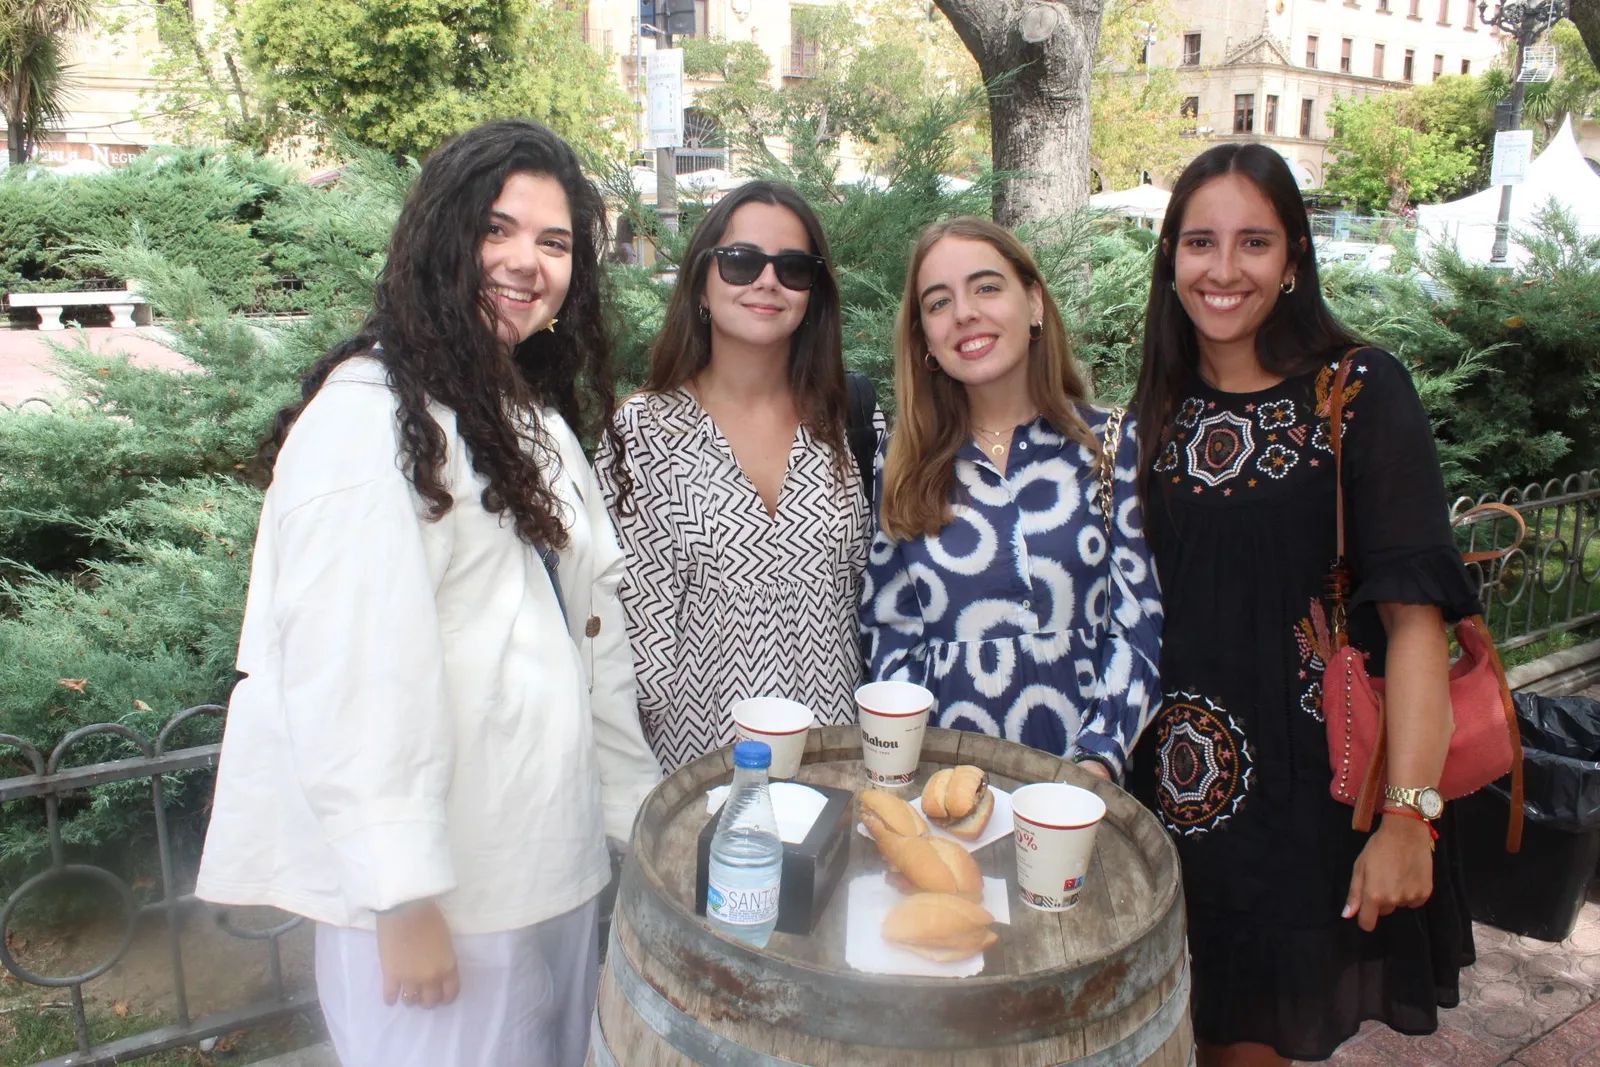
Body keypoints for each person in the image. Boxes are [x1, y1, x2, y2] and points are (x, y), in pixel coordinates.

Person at [195, 119, 662, 1067]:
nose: (526, 261)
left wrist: (635, 820)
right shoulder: (366, 421)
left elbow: (588, 645)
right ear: (440, 240)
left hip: (548, 869)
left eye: (555, 241)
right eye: (498, 229)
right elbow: (352, 672)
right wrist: (401, 896)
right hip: (443, 911)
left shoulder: (531, 422)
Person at [1126, 143, 1477, 1065]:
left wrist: (1409, 816)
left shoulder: (1357, 392)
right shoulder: (1161, 403)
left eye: (1254, 242)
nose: (1224, 268)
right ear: (1171, 259)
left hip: (1303, 798)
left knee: (1253, 1047)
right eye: (1200, 241)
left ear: (1293, 261)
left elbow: (1414, 625)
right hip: (1165, 789)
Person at [860, 217, 1162, 776]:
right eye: (938, 302)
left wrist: (1098, 761)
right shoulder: (901, 461)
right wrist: (912, 767)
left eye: (986, 287)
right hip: (946, 782)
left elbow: (1139, 622)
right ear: (925, 339)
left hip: (1087, 786)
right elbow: (889, 631)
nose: (965, 313)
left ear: (1035, 303)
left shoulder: (1113, 444)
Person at [598, 181, 882, 773]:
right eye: (741, 261)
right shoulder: (643, 432)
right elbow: (629, 648)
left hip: (835, 770)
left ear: (813, 293)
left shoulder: (849, 420)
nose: (767, 281)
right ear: (702, 281)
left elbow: (871, 600)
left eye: (794, 268)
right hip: (700, 782)